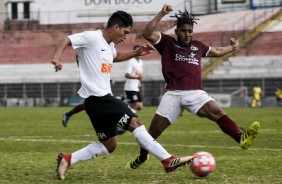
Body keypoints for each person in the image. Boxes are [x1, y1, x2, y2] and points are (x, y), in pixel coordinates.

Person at [51, 10, 193, 180]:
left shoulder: (109, 45)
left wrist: (136, 53)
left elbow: (115, 56)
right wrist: (57, 58)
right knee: (136, 122)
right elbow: (66, 40)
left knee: (109, 145)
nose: (126, 37)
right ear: (116, 27)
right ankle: (167, 160)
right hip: (100, 98)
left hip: (94, 102)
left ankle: (68, 159)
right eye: (125, 32)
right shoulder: (92, 37)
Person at [127, 4, 260, 169]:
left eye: (190, 31)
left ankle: (241, 138)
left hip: (196, 93)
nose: (187, 34)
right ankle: (142, 157)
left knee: (216, 110)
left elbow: (216, 50)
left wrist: (232, 48)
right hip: (173, 95)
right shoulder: (167, 43)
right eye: (183, 30)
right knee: (152, 134)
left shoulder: (198, 46)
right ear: (176, 31)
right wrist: (161, 13)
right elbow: (147, 33)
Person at [123, 45, 144, 112]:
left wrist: (139, 82)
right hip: (130, 88)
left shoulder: (141, 62)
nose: (139, 52)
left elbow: (138, 74)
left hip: (136, 87)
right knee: (136, 105)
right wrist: (137, 77)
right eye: (137, 50)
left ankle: (124, 101)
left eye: (140, 50)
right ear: (134, 52)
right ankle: (131, 118)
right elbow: (126, 75)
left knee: (140, 107)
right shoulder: (131, 61)